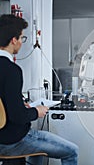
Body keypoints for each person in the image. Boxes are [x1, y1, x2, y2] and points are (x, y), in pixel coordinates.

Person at [0, 14, 78, 165]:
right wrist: (37, 111)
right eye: (22, 38)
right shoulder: (12, 70)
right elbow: (17, 116)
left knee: (38, 151)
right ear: (13, 40)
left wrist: (21, 106)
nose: (22, 43)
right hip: (11, 140)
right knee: (71, 151)